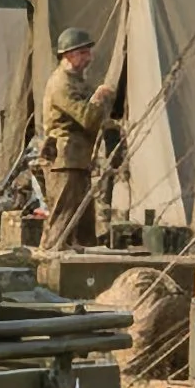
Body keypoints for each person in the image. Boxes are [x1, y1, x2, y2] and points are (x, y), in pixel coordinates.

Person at [40, 26, 117, 249]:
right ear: (68, 55)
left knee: (84, 222)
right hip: (65, 160)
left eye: (88, 52)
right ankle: (50, 263)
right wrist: (99, 98)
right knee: (63, 219)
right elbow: (88, 118)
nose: (88, 58)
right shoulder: (61, 84)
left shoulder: (76, 81)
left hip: (78, 159)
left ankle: (86, 263)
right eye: (83, 53)